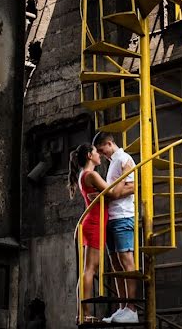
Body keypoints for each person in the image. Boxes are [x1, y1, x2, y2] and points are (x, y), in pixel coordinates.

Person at [68, 143, 134, 324]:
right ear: (90, 155)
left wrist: (98, 196)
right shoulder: (92, 175)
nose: (99, 155)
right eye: (96, 152)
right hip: (95, 223)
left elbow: (104, 194)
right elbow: (112, 193)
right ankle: (85, 314)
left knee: (88, 270)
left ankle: (83, 313)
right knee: (89, 270)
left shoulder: (84, 175)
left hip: (94, 222)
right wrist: (126, 174)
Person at [94, 132, 139, 324]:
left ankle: (132, 309)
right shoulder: (113, 161)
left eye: (102, 150)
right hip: (111, 218)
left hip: (123, 216)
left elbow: (132, 187)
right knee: (115, 263)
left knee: (126, 259)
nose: (101, 154)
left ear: (109, 143)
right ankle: (122, 308)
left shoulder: (124, 158)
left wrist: (111, 194)